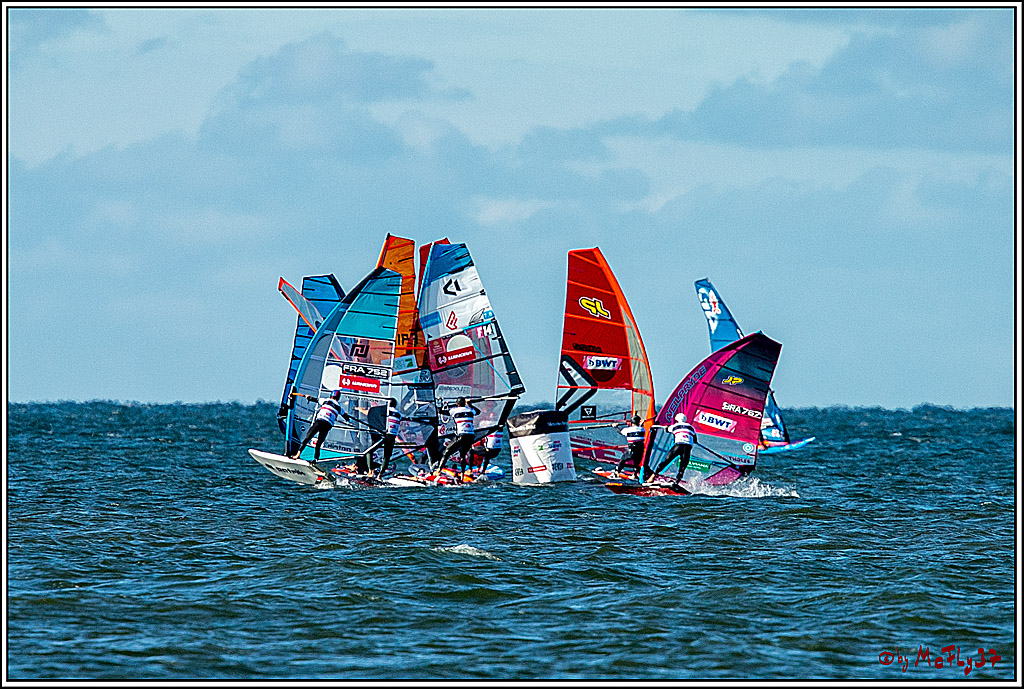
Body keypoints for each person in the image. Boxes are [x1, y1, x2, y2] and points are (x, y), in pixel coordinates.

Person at [291, 390, 342, 462]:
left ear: (331, 396)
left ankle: (297, 455)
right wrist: (347, 418)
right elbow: (346, 417)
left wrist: (308, 397)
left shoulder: (326, 400)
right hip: (328, 425)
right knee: (319, 443)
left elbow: (314, 399)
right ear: (338, 398)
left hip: (320, 421)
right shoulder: (339, 408)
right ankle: (316, 459)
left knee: (307, 438)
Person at [437, 397, 481, 480]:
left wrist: (440, 403)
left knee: (446, 452)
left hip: (461, 436)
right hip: (470, 436)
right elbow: (478, 412)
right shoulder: (470, 410)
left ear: (457, 404)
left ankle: (438, 470)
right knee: (463, 455)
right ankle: (464, 474)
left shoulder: (454, 410)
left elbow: (440, 411)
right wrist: (470, 404)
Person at [646, 412, 696, 486]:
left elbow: (667, 430)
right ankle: (677, 482)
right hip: (687, 448)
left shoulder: (674, 426)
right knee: (682, 468)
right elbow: (695, 439)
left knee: (666, 461)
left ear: (677, 420)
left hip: (678, 446)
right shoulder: (691, 428)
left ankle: (653, 476)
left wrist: (666, 428)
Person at [375, 398, 402, 480]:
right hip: (392, 436)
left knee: (369, 450)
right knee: (387, 456)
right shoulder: (399, 414)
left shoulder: (385, 411)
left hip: (383, 434)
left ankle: (369, 470)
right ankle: (380, 475)